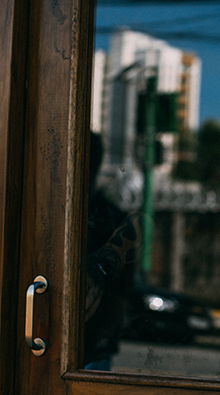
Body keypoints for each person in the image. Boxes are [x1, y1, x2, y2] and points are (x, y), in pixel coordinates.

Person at [84, 132, 142, 370]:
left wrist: (102, 341)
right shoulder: (116, 220)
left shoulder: (114, 222)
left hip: (93, 346)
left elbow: (120, 293)